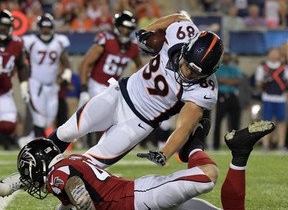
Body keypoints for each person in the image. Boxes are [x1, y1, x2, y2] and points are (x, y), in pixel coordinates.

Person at [0, 12, 224, 194]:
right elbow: (178, 18)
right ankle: (24, 177)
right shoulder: (181, 34)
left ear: (210, 72)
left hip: (139, 123)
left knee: (87, 166)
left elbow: (184, 127)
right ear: (187, 47)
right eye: (187, 65)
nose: (187, 73)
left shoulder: (205, 90)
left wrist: (165, 152)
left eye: (196, 73)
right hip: (119, 95)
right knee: (67, 131)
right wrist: (148, 30)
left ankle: (59, 194)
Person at [14, 120, 275, 210]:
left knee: (208, 175)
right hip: (140, 197)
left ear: (40, 164)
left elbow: (75, 188)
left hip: (139, 199)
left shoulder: (58, 174)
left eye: (28, 171)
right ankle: (239, 154)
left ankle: (193, 146)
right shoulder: (74, 160)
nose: (29, 177)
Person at [78, 10, 142, 147]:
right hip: (96, 83)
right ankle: (91, 145)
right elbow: (84, 64)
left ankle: (104, 146)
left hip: (113, 86)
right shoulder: (106, 40)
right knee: (94, 119)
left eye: (128, 29)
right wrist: (84, 89)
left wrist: (134, 81)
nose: (125, 32)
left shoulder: (133, 47)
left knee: (114, 119)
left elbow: (140, 67)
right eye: (123, 28)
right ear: (116, 26)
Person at [21, 13, 72, 140]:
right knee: (39, 117)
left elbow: (65, 61)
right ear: (39, 27)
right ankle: (39, 144)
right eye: (43, 27)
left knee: (50, 118)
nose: (46, 29)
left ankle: (28, 140)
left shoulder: (59, 41)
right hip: (35, 83)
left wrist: (66, 73)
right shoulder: (31, 41)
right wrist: (24, 82)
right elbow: (22, 62)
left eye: (48, 27)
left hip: (52, 85)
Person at [0, 9, 29, 150]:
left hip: (5, 91)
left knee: (9, 124)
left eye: (5, 26)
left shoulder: (17, 44)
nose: (2, 29)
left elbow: (22, 66)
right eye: (0, 25)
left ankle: (6, 141)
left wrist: (24, 87)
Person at [255, 47, 288, 153]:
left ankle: (281, 145)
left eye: (276, 53)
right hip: (267, 98)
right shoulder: (262, 68)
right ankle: (266, 145)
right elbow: (258, 83)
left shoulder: (284, 68)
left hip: (280, 98)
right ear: (268, 54)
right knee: (266, 122)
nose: (274, 55)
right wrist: (264, 82)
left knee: (281, 122)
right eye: (272, 53)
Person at [213, 51, 242, 150]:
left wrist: (225, 80)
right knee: (218, 122)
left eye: (227, 56)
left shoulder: (234, 68)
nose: (226, 57)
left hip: (232, 96)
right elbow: (218, 79)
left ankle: (235, 144)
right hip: (222, 96)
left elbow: (238, 81)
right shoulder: (218, 67)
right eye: (224, 56)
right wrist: (230, 81)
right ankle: (215, 145)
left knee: (235, 122)